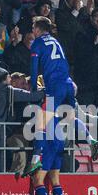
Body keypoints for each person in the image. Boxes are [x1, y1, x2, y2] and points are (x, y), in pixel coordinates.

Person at [23, 16, 76, 177]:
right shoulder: (56, 41)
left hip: (55, 86)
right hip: (69, 85)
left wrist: (33, 85)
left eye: (33, 28)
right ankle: (89, 138)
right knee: (65, 119)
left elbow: (34, 69)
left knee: (41, 122)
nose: (33, 31)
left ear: (38, 29)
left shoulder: (37, 43)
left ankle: (36, 158)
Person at [0, 66, 44, 173]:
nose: (10, 79)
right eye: (8, 76)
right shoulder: (8, 91)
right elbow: (35, 96)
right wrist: (43, 85)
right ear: (3, 78)